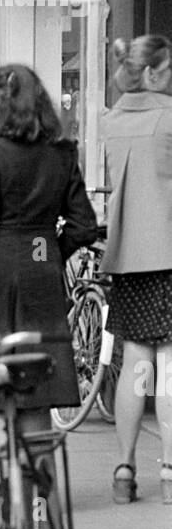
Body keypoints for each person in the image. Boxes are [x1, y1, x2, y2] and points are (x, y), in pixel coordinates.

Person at [0, 64, 98, 529]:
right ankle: (39, 499)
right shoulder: (62, 154)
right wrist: (51, 251)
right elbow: (84, 225)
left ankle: (2, 493)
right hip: (42, 278)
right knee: (37, 395)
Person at [101, 34, 172, 504]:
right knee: (168, 364)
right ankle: (169, 470)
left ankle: (125, 467)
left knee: (136, 362)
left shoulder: (109, 121)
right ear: (150, 73)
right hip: (168, 255)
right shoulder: (169, 117)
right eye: (167, 71)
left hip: (127, 260)